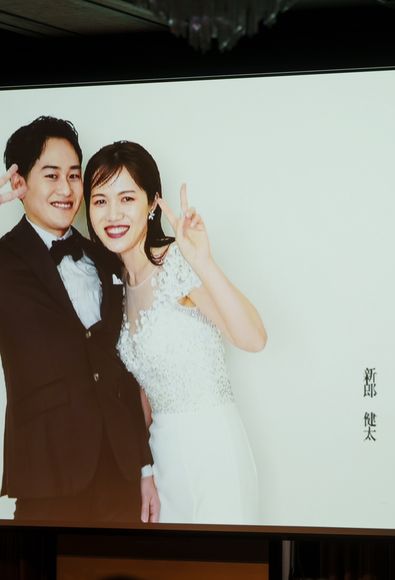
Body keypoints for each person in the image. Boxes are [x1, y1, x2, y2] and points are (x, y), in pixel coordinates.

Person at [84, 141, 266, 524]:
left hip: (214, 452)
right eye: (100, 201)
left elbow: (253, 338)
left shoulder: (177, 263)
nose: (113, 214)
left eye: (127, 198)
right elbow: (143, 392)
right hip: (163, 460)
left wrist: (203, 261)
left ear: (152, 203)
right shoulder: (115, 285)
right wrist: (144, 469)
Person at [0, 117, 159, 523]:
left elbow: (125, 369)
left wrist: (144, 466)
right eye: (51, 175)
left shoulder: (105, 253)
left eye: (74, 175)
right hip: (45, 474)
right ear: (18, 182)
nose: (67, 189)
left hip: (120, 472)